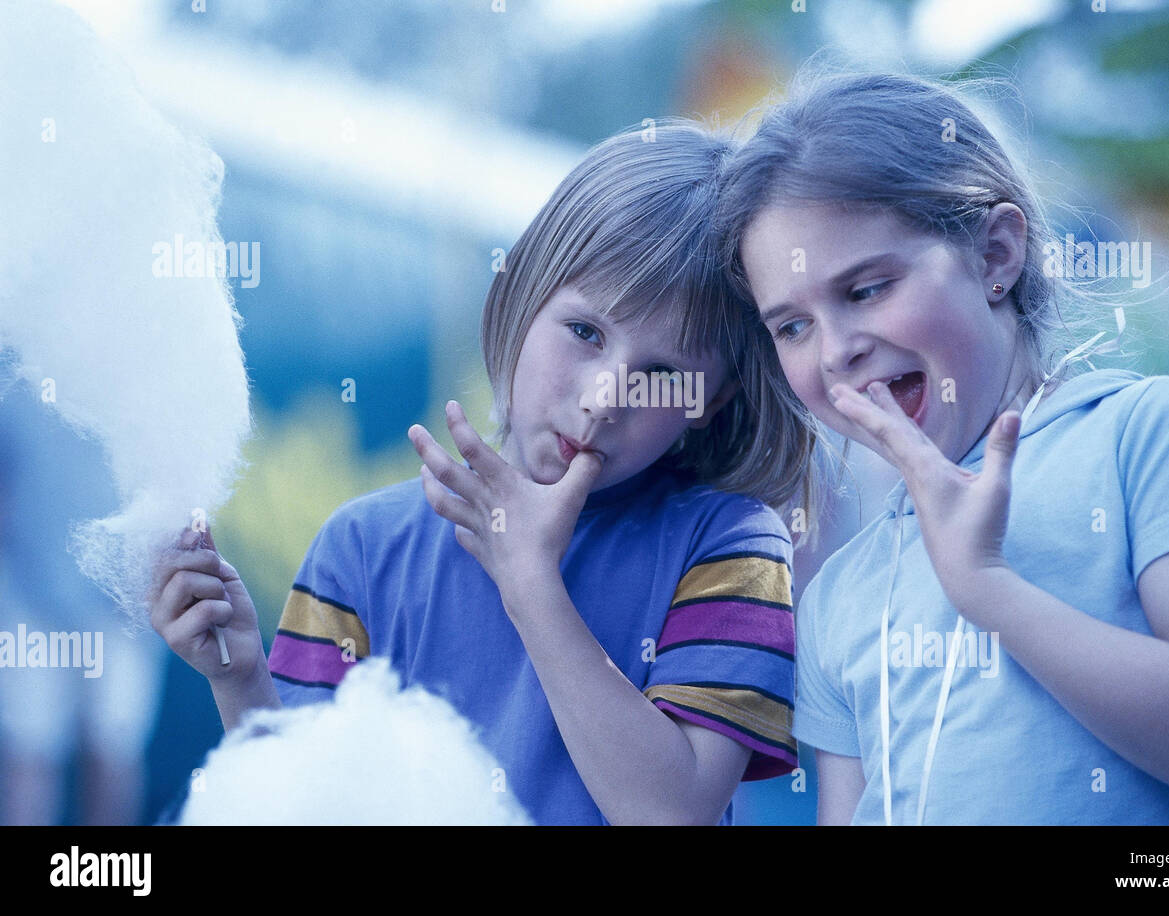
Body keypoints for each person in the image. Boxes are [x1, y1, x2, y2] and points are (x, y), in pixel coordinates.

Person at [148, 121, 817, 825]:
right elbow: (302, 807)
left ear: (711, 401)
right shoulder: (362, 547)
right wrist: (241, 677)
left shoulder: (733, 550)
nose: (603, 399)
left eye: (662, 373)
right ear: (523, 299)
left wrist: (532, 582)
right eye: (585, 332)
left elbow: (669, 813)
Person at [716, 69, 1169, 824]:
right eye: (792, 325)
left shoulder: (1154, 434)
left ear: (996, 254)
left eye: (866, 290)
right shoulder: (843, 594)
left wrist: (987, 589)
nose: (835, 352)